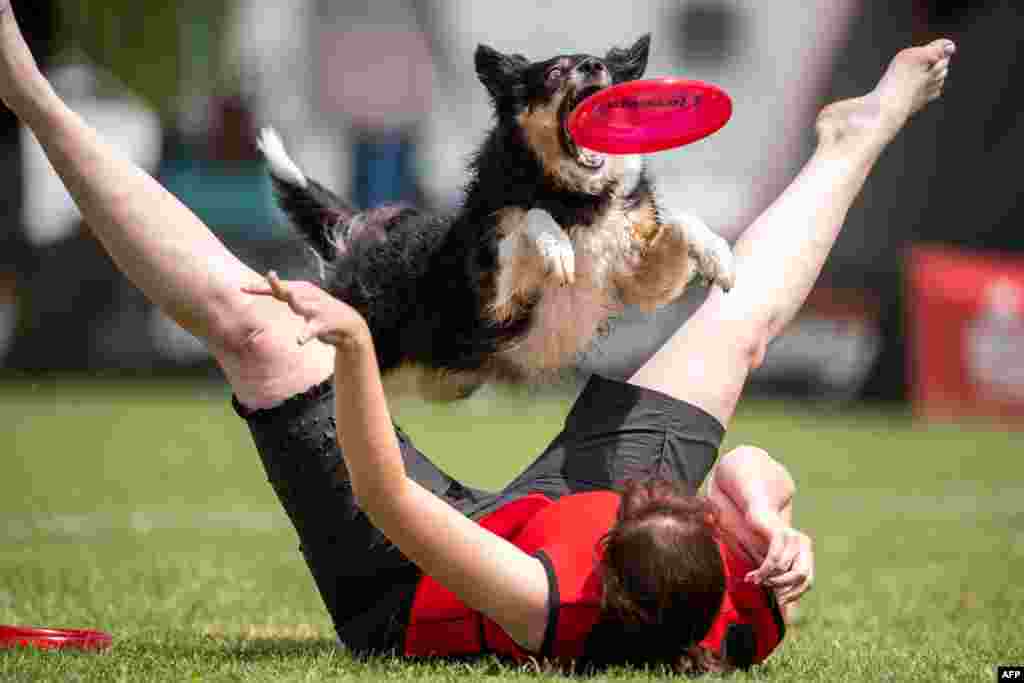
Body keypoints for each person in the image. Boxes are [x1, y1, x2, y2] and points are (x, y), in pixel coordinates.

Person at [0, 2, 954, 673]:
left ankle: (32, 96)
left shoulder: (546, 597)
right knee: (735, 324)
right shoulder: (730, 609)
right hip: (601, 550)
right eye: (691, 503)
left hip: (405, 577)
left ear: (611, 553)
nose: (671, 486)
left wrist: (355, 348)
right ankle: (855, 135)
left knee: (257, 329)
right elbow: (754, 466)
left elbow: (385, 496)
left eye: (653, 501)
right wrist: (773, 524)